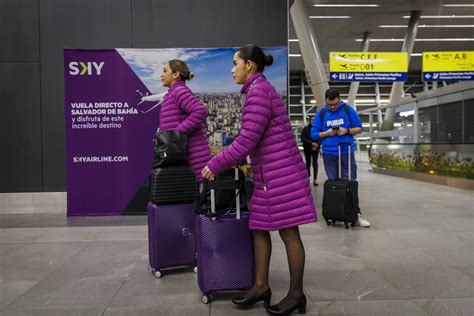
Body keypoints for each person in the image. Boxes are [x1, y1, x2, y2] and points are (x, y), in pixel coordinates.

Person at [202, 44, 316, 315]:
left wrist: (215, 164)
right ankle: (261, 285)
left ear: (249, 65)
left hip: (282, 175)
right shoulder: (257, 90)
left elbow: (247, 140)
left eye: (235, 63)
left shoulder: (260, 92)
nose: (232, 69)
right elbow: (256, 139)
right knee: (259, 227)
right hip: (269, 175)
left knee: (289, 233)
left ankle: (297, 295)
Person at [310, 88, 370, 227]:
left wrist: (346, 131)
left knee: (350, 183)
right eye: (330, 104)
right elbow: (314, 135)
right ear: (325, 101)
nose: (332, 107)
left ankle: (355, 214)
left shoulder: (348, 110)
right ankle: (336, 212)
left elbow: (359, 128)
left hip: (346, 152)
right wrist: (327, 133)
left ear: (339, 100)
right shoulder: (321, 114)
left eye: (335, 104)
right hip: (329, 154)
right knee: (334, 184)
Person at [159, 59, 211, 182]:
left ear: (176, 74)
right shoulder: (173, 93)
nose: (161, 74)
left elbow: (200, 111)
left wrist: (177, 134)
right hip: (186, 156)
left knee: (193, 196)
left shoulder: (179, 91)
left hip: (192, 158)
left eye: (165, 71)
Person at [301, 117, 320, 186]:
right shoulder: (305, 129)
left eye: (314, 120)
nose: (312, 121)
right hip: (307, 148)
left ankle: (315, 179)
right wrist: (311, 143)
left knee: (315, 164)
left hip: (315, 149)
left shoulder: (317, 129)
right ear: (309, 121)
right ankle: (308, 178)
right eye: (311, 120)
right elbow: (303, 138)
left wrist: (316, 145)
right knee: (308, 163)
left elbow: (320, 138)